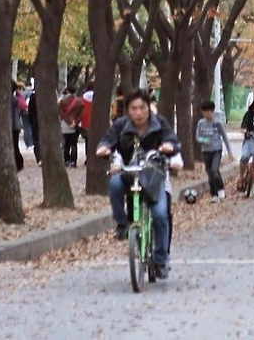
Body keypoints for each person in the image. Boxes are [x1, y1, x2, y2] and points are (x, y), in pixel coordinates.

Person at [96, 88, 181, 278]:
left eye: (142, 108)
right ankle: (122, 224)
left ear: (149, 107)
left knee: (160, 215)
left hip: (155, 178)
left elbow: (172, 142)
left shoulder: (160, 124)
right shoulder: (120, 125)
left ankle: (161, 260)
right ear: (127, 110)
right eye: (133, 108)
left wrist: (169, 148)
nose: (138, 113)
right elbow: (107, 141)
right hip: (130, 174)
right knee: (115, 184)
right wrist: (105, 149)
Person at [196, 100, 233, 202]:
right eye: (204, 112)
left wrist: (230, 152)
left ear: (212, 111)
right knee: (209, 173)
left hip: (217, 150)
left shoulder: (217, 123)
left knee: (214, 170)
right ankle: (214, 194)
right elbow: (197, 137)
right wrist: (204, 140)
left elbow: (225, 137)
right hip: (206, 151)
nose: (206, 114)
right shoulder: (201, 123)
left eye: (208, 112)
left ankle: (221, 189)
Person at [59, 86, 82, 168]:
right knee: (74, 144)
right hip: (75, 125)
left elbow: (61, 113)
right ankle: (73, 161)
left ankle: (66, 160)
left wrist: (67, 121)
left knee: (66, 144)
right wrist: (75, 122)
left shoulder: (62, 101)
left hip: (64, 124)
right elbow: (81, 114)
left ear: (68, 91)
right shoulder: (79, 102)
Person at [10, 81, 25, 171]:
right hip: (15, 124)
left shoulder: (12, 99)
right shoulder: (15, 98)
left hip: (13, 125)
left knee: (14, 145)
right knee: (15, 144)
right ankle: (18, 162)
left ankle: (19, 162)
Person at [79, 82, 95, 165]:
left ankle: (88, 157)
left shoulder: (83, 98)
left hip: (85, 121)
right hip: (95, 121)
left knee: (87, 141)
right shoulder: (98, 97)